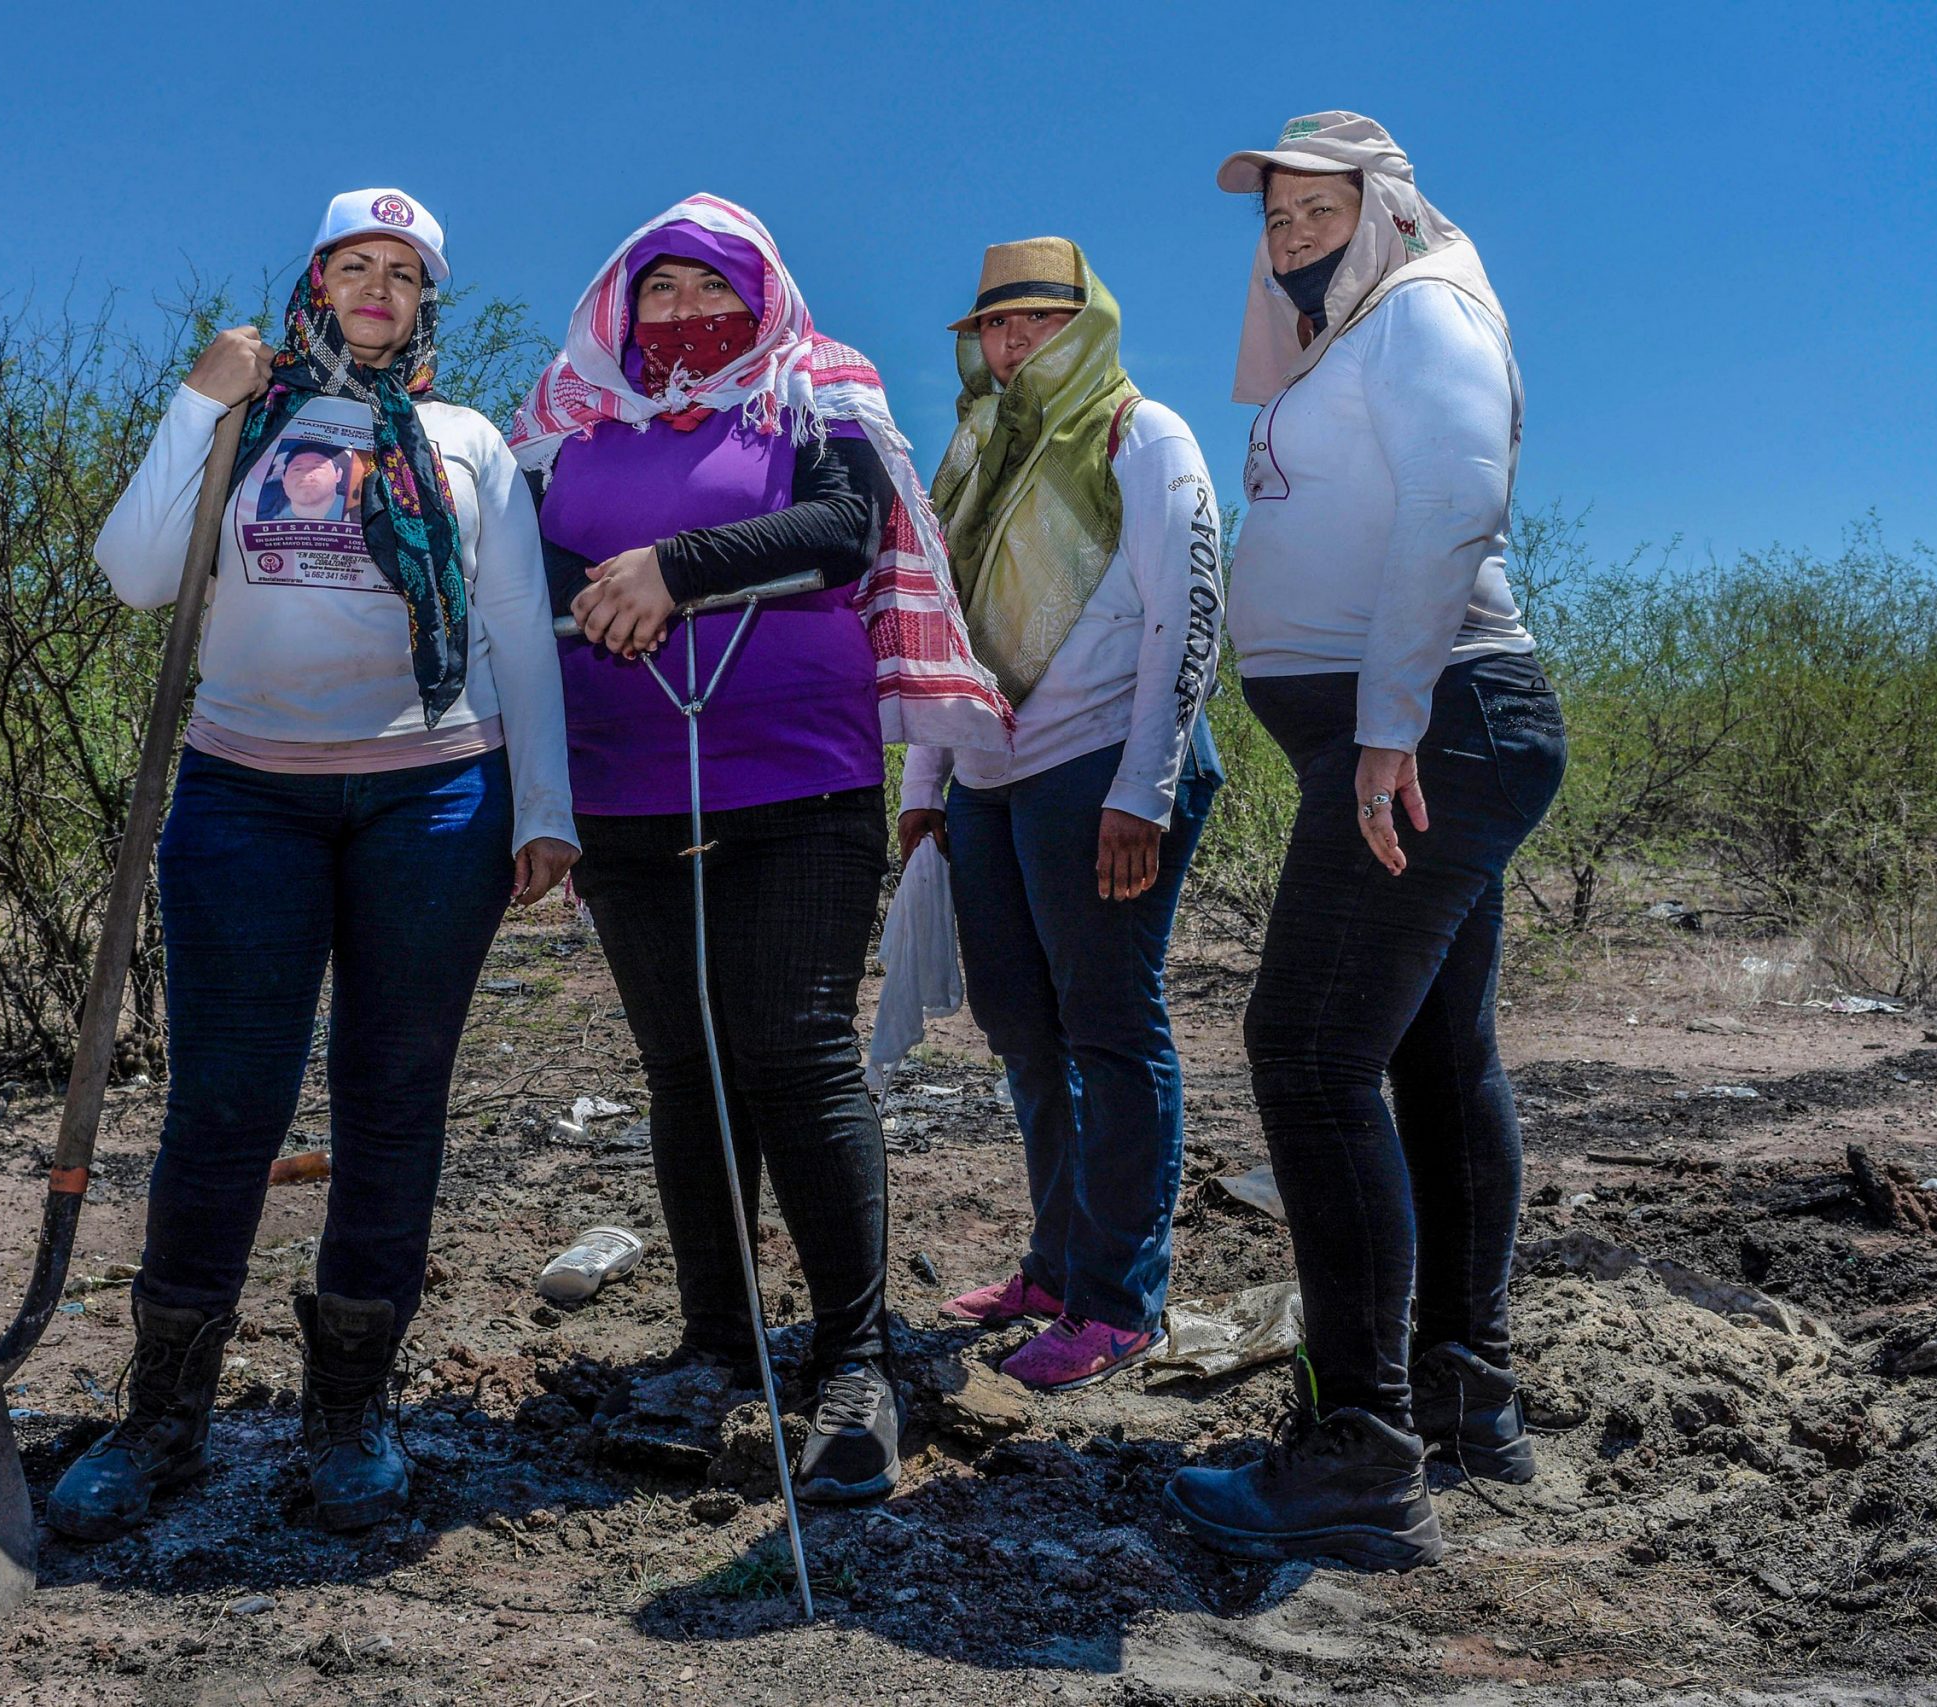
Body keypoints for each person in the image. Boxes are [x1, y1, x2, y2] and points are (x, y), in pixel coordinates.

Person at [59, 188, 577, 1539]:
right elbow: (131, 575)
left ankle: (351, 1411)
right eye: (354, 263)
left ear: (427, 302)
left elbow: (521, 627)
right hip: (245, 799)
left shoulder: (468, 442)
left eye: (403, 273)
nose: (377, 287)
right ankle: (164, 1417)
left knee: (392, 1100)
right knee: (225, 1105)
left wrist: (546, 808)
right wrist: (194, 398)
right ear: (313, 280)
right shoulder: (246, 419)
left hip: (436, 798)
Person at [510, 193, 1007, 1505]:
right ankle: (717, 1346)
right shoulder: (569, 411)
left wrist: (675, 563)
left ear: (763, 293)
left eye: (705, 287)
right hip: (626, 790)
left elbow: (847, 526)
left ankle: (858, 1358)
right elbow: (517, 568)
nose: (679, 314)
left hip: (797, 779)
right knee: (688, 1068)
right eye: (655, 292)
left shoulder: (818, 387)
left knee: (794, 1049)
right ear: (621, 308)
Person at [1163, 114, 1565, 1572]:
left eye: (1318, 210)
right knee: (1432, 1057)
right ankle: (1467, 1399)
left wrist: (1388, 720)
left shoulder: (1428, 308)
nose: (1291, 236)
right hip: (1422, 725)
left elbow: (1459, 499)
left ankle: (1362, 1453)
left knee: (1309, 1053)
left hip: (1435, 720)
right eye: (1275, 219)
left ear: (1383, 209)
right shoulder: (1339, 343)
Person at [900, 238, 1224, 1392]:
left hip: (1104, 770)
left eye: (1037, 321)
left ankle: (1119, 1301)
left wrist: (1142, 787)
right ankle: (1054, 1265)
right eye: (995, 326)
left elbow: (1186, 619)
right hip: (989, 777)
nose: (1013, 342)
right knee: (1021, 1030)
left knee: (1108, 1027)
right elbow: (942, 630)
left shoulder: (1143, 435)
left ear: (1087, 324)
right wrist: (924, 789)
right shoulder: (976, 451)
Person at [256, 442, 354, 521]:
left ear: (338, 474)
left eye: (317, 467)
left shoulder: (359, 512)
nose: (307, 473)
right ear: (283, 479)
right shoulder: (265, 519)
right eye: (297, 469)